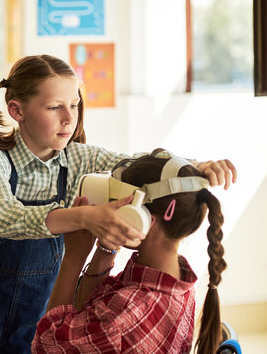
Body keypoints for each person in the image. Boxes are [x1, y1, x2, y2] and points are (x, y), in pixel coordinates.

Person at [0, 54, 237, 354]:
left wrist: (197, 166)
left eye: (74, 104)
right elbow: (2, 217)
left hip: (33, 324)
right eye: (55, 107)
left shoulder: (78, 158)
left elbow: (138, 165)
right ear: (17, 110)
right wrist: (83, 217)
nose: (69, 118)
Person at [32, 149, 235, 354]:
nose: (110, 208)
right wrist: (106, 248)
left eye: (119, 201)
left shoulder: (126, 312)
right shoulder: (178, 282)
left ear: (142, 217)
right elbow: (89, 311)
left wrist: (73, 258)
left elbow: (47, 344)